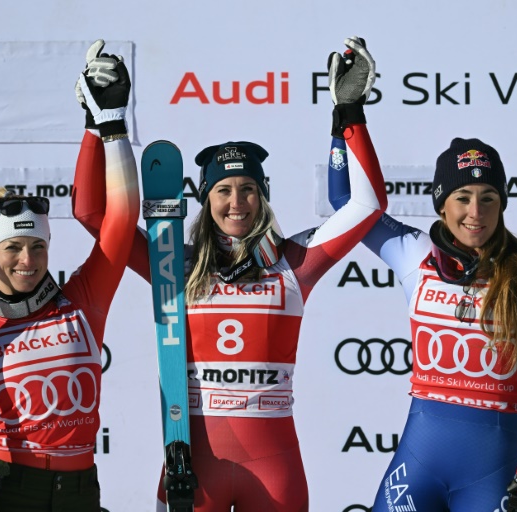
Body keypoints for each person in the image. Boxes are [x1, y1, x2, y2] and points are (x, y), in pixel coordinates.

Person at [71, 36, 386, 511]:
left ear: (263, 195)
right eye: (223, 190)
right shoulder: (171, 263)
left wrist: (350, 114)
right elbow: (95, 214)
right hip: (194, 468)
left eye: (248, 189)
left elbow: (367, 206)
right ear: (205, 199)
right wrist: (102, 125)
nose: (236, 202)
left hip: (274, 467)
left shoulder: (294, 262)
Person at [327, 136, 517, 511]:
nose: (475, 211)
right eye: (462, 197)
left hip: (493, 470)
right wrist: (346, 119)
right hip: (418, 467)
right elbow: (345, 203)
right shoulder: (414, 252)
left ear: (502, 205)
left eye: (488, 198)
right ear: (442, 205)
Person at [0, 40, 139, 512]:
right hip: (7, 490)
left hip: (82, 492)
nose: (27, 260)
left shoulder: (81, 300)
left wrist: (110, 125)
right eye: (13, 248)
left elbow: (121, 216)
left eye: (37, 246)